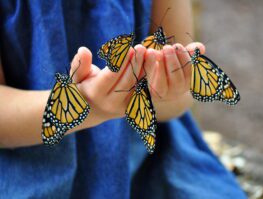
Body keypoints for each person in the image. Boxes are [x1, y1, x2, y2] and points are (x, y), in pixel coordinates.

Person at [0, 0, 246, 198]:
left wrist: (165, 91)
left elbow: (183, 97)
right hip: (28, 171)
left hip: (147, 163)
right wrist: (89, 105)